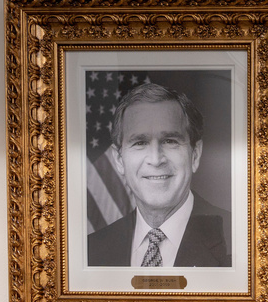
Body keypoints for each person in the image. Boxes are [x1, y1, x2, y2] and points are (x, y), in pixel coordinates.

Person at [87, 83, 231, 267]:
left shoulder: (242, 238)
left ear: (195, 155)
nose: (155, 160)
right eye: (140, 143)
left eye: (170, 141)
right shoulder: (91, 251)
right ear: (119, 160)